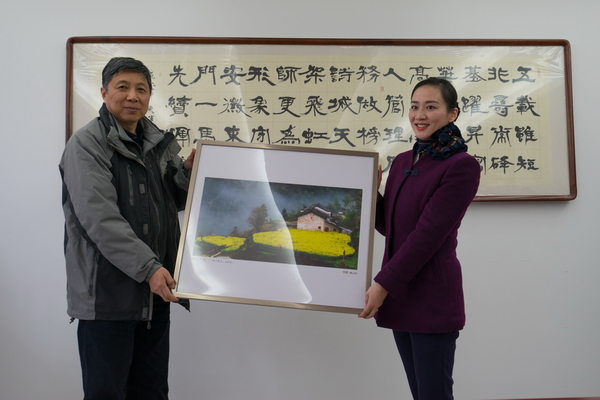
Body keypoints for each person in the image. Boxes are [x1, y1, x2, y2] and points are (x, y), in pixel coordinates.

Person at [60, 57, 195, 400]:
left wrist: (190, 174)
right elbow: (100, 219)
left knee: (151, 392)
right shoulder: (87, 144)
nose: (133, 96)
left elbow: (174, 202)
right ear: (104, 93)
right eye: (123, 87)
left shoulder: (157, 143)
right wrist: (149, 268)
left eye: (141, 89)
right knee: (106, 394)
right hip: (107, 298)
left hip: (154, 295)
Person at [359, 77, 480, 400]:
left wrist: (382, 284)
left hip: (432, 297)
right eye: (414, 107)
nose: (419, 115)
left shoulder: (462, 166)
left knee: (433, 394)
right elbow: (391, 226)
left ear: (452, 113)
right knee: (419, 393)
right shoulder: (402, 161)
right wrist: (370, 190)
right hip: (401, 294)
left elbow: (428, 236)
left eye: (431, 107)